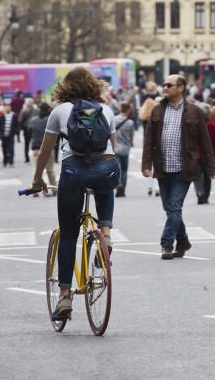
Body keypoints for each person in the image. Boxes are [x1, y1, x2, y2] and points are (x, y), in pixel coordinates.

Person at [28, 67, 118, 322]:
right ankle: (107, 232)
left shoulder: (59, 112)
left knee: (68, 235)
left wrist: (37, 181)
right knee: (105, 180)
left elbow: (45, 152)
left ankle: (65, 294)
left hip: (73, 172)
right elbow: (111, 148)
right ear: (94, 85)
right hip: (106, 168)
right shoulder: (107, 110)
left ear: (64, 87)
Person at [141, 74, 215, 260]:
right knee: (170, 208)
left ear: (181, 88)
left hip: (185, 168)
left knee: (174, 206)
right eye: (164, 84)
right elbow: (148, 139)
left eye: (169, 85)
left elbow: (205, 142)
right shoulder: (158, 110)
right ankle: (183, 242)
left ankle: (166, 244)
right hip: (162, 167)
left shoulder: (194, 111)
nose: (165, 87)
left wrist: (211, 168)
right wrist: (146, 164)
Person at [27, 103, 56, 196]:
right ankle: (54, 190)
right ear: (48, 110)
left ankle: (35, 190)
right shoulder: (50, 120)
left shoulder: (33, 120)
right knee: (50, 169)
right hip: (48, 147)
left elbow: (28, 134)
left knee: (37, 169)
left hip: (35, 147)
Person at [113, 102, 135, 197]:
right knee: (124, 169)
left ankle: (118, 185)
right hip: (125, 148)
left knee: (117, 168)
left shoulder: (114, 119)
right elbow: (131, 135)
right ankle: (123, 187)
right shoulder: (130, 122)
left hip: (116, 147)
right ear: (128, 110)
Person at [19, 97, 38, 163]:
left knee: (27, 144)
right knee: (36, 143)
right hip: (35, 129)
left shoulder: (24, 111)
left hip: (26, 129)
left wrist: (22, 126)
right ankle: (36, 156)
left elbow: (20, 120)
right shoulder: (37, 110)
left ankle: (27, 158)